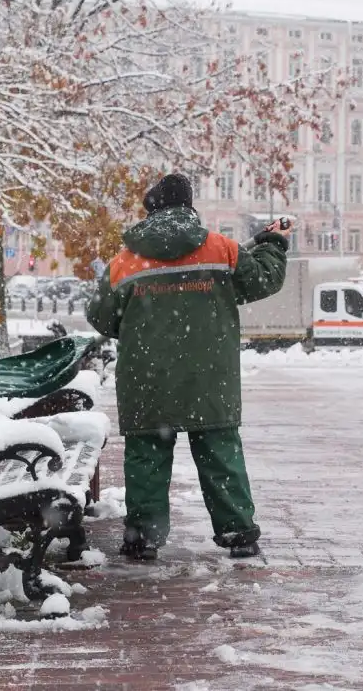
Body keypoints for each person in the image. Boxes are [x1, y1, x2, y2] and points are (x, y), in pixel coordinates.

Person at [86, 174, 289, 561]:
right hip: (208, 379)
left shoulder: (125, 261)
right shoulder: (220, 249)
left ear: (153, 210)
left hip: (147, 380)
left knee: (147, 458)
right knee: (219, 455)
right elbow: (263, 280)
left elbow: (101, 316)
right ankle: (238, 534)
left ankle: (143, 537)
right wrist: (273, 243)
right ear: (189, 206)